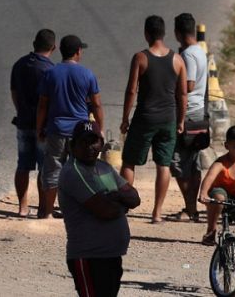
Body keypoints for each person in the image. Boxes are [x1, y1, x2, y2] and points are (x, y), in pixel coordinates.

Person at [118, 15, 185, 223]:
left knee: (129, 162)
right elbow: (182, 94)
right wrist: (181, 120)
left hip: (145, 117)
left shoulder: (141, 58)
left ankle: (124, 207)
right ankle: (157, 213)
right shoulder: (177, 60)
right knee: (163, 165)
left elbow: (131, 90)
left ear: (146, 33)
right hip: (168, 119)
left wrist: (125, 118)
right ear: (164, 33)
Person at [60, 121, 139, 297]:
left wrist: (115, 198)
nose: (90, 147)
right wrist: (121, 203)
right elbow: (106, 211)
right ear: (73, 145)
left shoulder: (105, 168)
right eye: (84, 142)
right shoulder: (73, 172)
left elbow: (135, 198)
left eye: (93, 141)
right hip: (89, 257)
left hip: (111, 255)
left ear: (101, 144)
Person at [36, 35, 103, 219]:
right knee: (80, 171)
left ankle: (48, 212)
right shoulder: (87, 74)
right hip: (80, 133)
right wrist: (99, 128)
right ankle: (77, 211)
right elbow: (96, 105)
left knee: (52, 169)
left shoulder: (50, 73)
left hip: (56, 130)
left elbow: (42, 105)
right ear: (78, 52)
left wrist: (39, 128)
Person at [9, 28, 55, 216]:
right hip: (42, 126)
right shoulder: (49, 69)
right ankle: (43, 208)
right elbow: (49, 100)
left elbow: (14, 92)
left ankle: (22, 207)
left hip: (23, 121)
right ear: (54, 47)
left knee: (23, 166)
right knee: (44, 168)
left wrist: (20, 110)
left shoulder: (19, 65)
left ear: (34, 44)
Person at [172, 13, 209, 222]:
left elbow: (189, 85)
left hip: (188, 113)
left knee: (177, 161)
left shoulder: (188, 55)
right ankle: (191, 206)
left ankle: (190, 207)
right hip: (198, 111)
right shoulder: (200, 51)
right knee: (192, 162)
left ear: (178, 32)